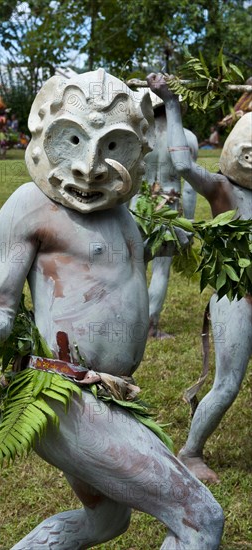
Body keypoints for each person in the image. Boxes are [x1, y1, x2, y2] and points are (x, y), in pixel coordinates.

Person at [0, 69, 223, 548]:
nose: (90, 167)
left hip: (109, 395)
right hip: (62, 394)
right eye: (75, 141)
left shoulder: (128, 212)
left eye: (112, 148)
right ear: (46, 136)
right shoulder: (32, 206)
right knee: (199, 518)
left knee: (106, 523)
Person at [147, 72, 252, 484]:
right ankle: (191, 452)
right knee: (227, 384)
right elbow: (182, 163)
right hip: (236, 297)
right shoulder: (222, 189)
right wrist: (172, 104)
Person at [131, 91, 198, 338]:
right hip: (168, 208)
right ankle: (150, 326)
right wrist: (188, 223)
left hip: (138, 206)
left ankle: (130, 319)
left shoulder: (140, 136)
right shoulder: (187, 138)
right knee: (161, 269)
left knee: (135, 265)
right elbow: (190, 188)